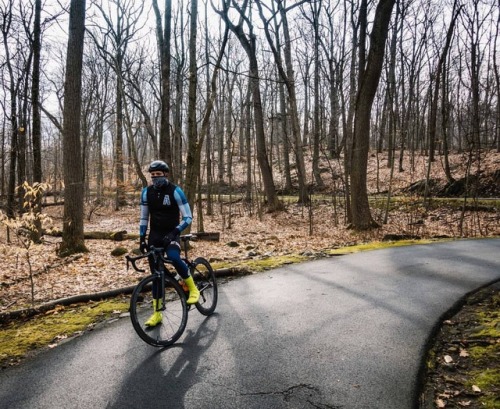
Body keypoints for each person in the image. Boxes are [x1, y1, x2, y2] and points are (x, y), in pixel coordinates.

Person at [139, 160, 199, 327]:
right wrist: (141, 237)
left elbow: (188, 216)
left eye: (158, 175)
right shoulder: (146, 193)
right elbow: (144, 217)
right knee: (156, 275)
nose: (155, 178)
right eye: (152, 176)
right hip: (155, 235)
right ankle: (157, 314)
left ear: (165, 175)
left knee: (173, 257)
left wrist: (175, 231)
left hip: (172, 233)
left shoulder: (175, 191)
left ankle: (193, 288)